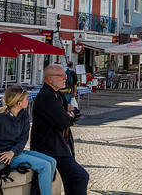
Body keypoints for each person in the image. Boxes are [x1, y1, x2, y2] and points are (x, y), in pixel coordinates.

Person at [0, 85, 56, 195]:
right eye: (26, 98)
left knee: (52, 161)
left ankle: (41, 191)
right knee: (45, 166)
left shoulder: (24, 115)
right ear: (18, 103)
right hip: (4, 157)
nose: (28, 100)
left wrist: (13, 151)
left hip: (16, 152)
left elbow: (24, 138)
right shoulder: (0, 118)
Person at [32, 64, 90, 195]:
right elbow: (64, 121)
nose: (65, 78)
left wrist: (70, 114)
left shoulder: (56, 94)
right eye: (61, 76)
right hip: (50, 149)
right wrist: (70, 115)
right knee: (80, 176)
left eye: (65, 75)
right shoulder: (46, 96)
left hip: (60, 146)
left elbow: (73, 112)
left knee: (72, 178)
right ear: (49, 79)